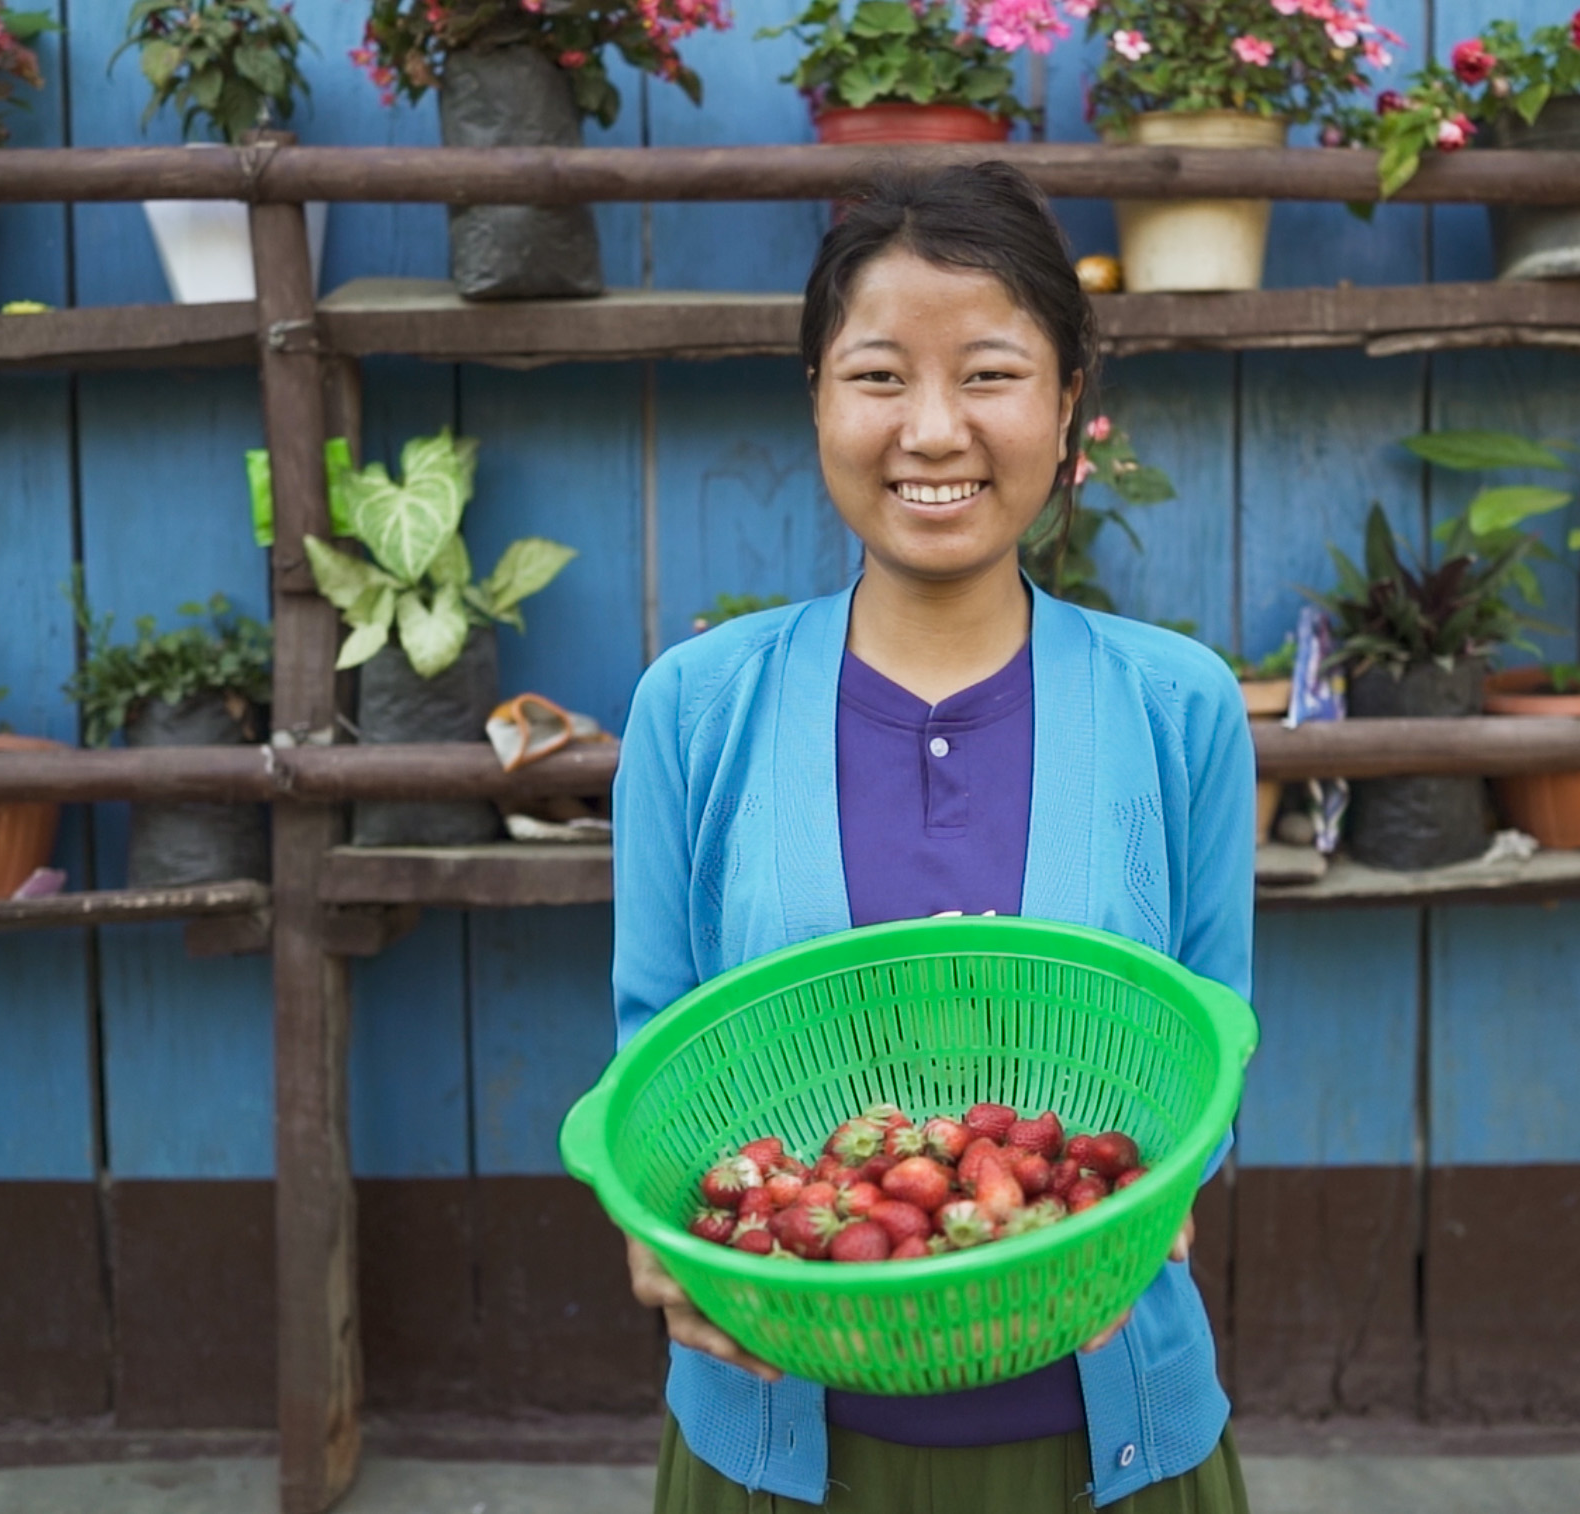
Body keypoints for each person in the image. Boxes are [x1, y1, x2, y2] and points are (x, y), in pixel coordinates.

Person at [611, 160, 1255, 1514]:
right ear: (816, 399)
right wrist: (657, 1228)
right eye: (881, 375)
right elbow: (654, 1051)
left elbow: (1205, 1047)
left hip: (1111, 1443)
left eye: (991, 372)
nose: (935, 428)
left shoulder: (1176, 706)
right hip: (774, 1450)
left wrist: (1168, 1189)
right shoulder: (696, 709)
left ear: (1072, 403)